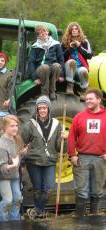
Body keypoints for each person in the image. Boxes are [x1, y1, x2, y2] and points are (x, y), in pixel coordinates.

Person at [20, 95, 67, 219]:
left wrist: (64, 139)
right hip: (33, 160)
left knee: (49, 189)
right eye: (39, 108)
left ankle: (36, 210)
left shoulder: (57, 124)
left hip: (50, 161)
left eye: (44, 107)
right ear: (37, 109)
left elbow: (60, 148)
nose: (42, 110)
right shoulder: (30, 124)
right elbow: (21, 141)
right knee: (38, 189)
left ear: (49, 108)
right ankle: (40, 213)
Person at [68, 88, 106, 217]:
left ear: (99, 100)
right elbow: (72, 136)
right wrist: (72, 154)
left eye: (91, 98)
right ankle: (79, 216)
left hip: (101, 159)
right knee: (81, 189)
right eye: (87, 98)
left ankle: (94, 216)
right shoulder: (79, 117)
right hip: (82, 158)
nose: (87, 101)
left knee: (97, 190)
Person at [0, 115, 27, 221]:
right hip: (2, 176)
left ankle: (14, 221)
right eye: (12, 126)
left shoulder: (16, 138)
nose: (15, 128)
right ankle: (1, 223)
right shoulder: (2, 146)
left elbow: (17, 155)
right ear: (4, 127)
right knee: (7, 200)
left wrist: (22, 153)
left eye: (16, 125)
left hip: (14, 174)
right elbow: (1, 167)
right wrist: (14, 165)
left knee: (18, 198)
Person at [28, 25, 64, 100]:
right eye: (40, 33)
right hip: (41, 69)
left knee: (57, 65)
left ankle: (52, 91)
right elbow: (31, 62)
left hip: (53, 69)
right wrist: (34, 78)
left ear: (47, 32)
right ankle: (45, 93)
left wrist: (61, 74)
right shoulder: (35, 46)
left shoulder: (56, 44)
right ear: (38, 35)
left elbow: (61, 59)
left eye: (44, 31)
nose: (43, 33)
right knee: (45, 67)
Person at [61, 22, 93, 100]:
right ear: (69, 31)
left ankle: (84, 90)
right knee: (72, 61)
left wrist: (79, 47)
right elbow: (61, 57)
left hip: (80, 69)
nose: (74, 30)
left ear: (79, 31)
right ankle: (69, 85)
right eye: (72, 29)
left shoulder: (84, 41)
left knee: (83, 70)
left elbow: (89, 55)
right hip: (69, 70)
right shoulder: (64, 41)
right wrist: (69, 48)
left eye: (76, 29)